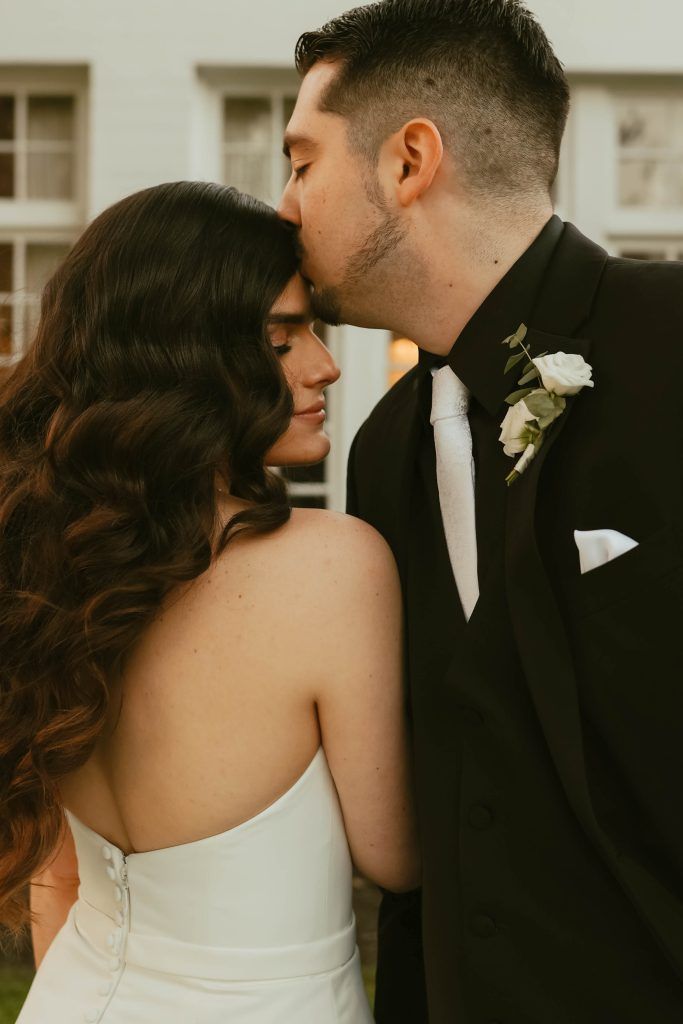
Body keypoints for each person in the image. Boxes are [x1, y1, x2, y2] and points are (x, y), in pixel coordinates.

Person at [278, 1, 683, 1021]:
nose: (284, 206)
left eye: (301, 162)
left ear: (408, 161)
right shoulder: (380, 450)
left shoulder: (671, 341)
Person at [0, 179, 421, 1023]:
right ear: (179, 358)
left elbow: (57, 871)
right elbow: (397, 855)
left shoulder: (50, 561)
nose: (325, 365)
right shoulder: (331, 565)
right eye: (280, 340)